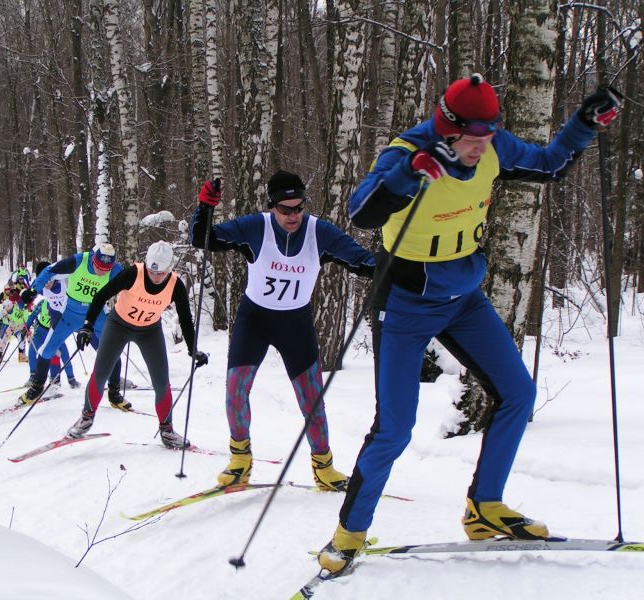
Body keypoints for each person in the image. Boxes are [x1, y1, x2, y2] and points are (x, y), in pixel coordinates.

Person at [317, 74, 622, 575]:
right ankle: (349, 533)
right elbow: (362, 212)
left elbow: (548, 165)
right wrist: (408, 175)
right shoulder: (407, 152)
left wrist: (584, 125)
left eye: (489, 136)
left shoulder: (494, 145)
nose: (483, 148)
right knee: (394, 429)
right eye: (472, 139)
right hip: (406, 303)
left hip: (463, 297)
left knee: (518, 393)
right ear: (447, 127)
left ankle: (484, 506)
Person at [190, 171, 376, 491]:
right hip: (255, 321)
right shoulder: (255, 227)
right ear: (271, 206)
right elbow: (203, 239)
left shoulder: (320, 232)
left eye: (298, 208)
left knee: (312, 400)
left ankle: (324, 467)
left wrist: (392, 265)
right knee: (236, 390)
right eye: (284, 209)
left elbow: (361, 260)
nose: (293, 216)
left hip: (295, 325)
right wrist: (205, 208)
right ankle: (240, 461)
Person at [66, 240, 208, 449]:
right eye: (152, 270)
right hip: (119, 325)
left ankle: (167, 430)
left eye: (161, 273)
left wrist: (192, 349)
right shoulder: (134, 273)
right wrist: (87, 325)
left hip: (149, 331)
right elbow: (101, 295)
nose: (155, 276)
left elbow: (185, 318)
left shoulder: (175, 284)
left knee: (161, 383)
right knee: (101, 373)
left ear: (170, 268)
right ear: (147, 263)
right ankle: (86, 417)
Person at [18, 244, 125, 405]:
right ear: (93, 259)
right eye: (98, 267)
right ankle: (37, 388)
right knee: (46, 350)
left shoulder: (116, 269)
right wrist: (33, 291)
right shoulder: (79, 261)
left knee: (112, 352)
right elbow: (50, 271)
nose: (102, 271)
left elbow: (132, 285)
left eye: (106, 269)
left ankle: (114, 393)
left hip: (95, 315)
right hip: (69, 314)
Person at [24, 261, 80, 389]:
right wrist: (21, 297)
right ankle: (37, 378)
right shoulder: (41, 294)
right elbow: (27, 299)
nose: (46, 283)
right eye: (44, 281)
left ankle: (69, 379)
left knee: (63, 354)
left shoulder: (65, 282)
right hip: (45, 330)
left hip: (67, 321)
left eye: (49, 279)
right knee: (37, 351)